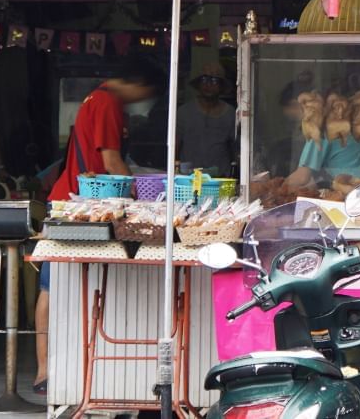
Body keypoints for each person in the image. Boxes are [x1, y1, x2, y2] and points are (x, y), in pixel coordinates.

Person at [35, 57, 165, 394]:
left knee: (54, 284)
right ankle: (46, 370)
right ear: (137, 84)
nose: (142, 100)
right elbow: (110, 160)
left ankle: (49, 369)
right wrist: (139, 195)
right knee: (53, 283)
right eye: (146, 93)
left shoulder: (96, 97)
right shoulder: (108, 102)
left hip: (74, 199)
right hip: (76, 204)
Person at [176, 61, 236, 176]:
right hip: (188, 178)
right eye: (204, 80)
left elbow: (235, 148)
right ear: (198, 84)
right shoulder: (184, 111)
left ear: (221, 86)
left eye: (214, 81)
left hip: (221, 177)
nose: (208, 85)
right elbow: (175, 145)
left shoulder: (230, 113)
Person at [286, 130, 360, 190]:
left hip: (347, 192)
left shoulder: (320, 129)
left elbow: (302, 177)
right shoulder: (344, 125)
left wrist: (278, 188)